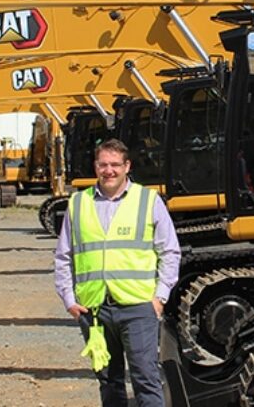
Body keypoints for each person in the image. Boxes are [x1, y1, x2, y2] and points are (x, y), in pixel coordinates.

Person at [54, 138, 181, 407]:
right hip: (94, 310)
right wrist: (68, 299)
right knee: (109, 381)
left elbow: (170, 252)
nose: (108, 170)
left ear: (127, 166)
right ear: (95, 166)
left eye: (114, 165)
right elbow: (64, 256)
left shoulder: (148, 200)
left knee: (145, 378)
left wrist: (160, 298)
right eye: (103, 164)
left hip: (138, 307)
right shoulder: (78, 203)